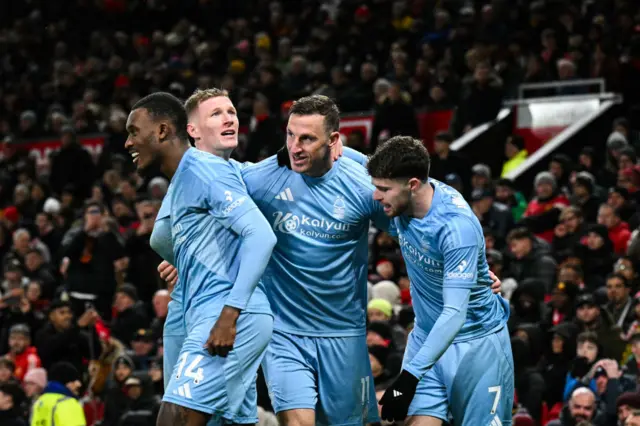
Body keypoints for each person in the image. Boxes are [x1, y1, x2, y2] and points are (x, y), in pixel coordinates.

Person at [156, 91, 503, 426]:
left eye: (306, 139)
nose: (294, 147)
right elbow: (213, 208)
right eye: (290, 136)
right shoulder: (260, 177)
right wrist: (187, 255)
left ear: (333, 140)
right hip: (285, 330)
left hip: (345, 333)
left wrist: (469, 267)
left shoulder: (365, 181)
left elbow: (415, 219)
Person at [125, 92, 276, 426]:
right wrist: (182, 260)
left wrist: (229, 315)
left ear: (162, 131)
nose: (127, 142)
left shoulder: (206, 171)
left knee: (173, 419)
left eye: (134, 131)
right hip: (205, 312)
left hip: (226, 315)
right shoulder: (182, 181)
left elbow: (261, 235)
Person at [367, 135, 513, 425]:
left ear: (412, 185)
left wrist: (408, 378)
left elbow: (455, 313)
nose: (375, 196)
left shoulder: (456, 228)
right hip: (426, 338)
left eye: (383, 189)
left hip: (477, 345)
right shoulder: (400, 199)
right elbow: (351, 161)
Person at [30, 362, 86, 426]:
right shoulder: (68, 403)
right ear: (65, 382)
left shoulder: (38, 403)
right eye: (74, 380)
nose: (79, 384)